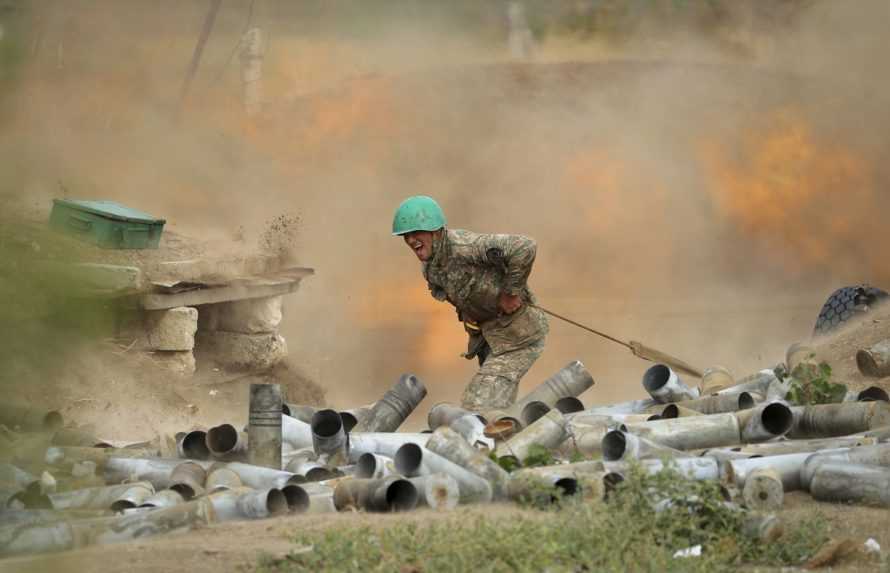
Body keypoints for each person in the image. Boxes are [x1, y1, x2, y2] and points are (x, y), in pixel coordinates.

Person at [392, 195, 548, 412]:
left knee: (478, 405)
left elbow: (524, 247)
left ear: (436, 231)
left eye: (416, 233)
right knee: (498, 410)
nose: (410, 240)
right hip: (490, 340)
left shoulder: (465, 246)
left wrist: (511, 293)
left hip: (518, 336)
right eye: (406, 236)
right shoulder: (431, 268)